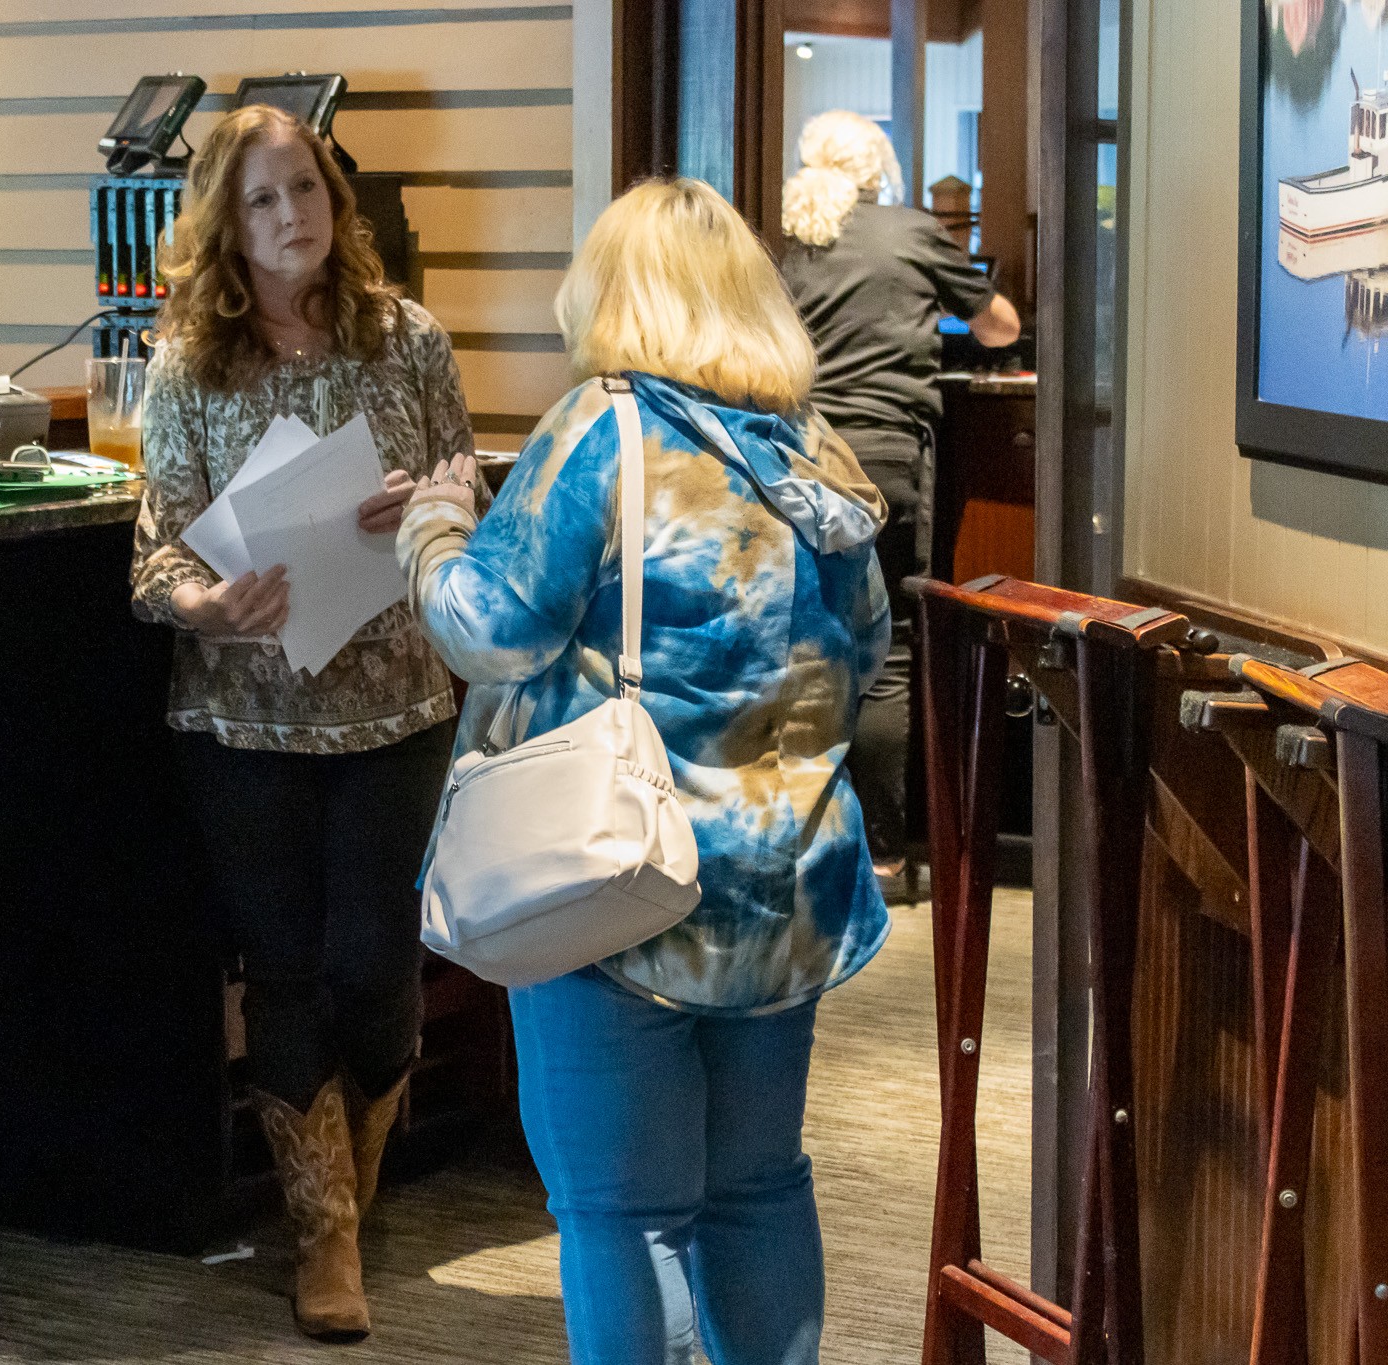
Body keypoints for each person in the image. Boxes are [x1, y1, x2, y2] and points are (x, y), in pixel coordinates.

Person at [397, 178, 891, 1365]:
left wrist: (430, 531)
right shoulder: (814, 451)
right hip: (788, 890)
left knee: (625, 1217)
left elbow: (491, 627)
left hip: (621, 886)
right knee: (759, 1189)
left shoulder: (600, 429)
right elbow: (861, 651)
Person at [129, 103, 476, 1342]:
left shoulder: (406, 339)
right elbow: (152, 551)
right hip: (242, 717)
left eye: (307, 191)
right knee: (281, 973)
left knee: (375, 970)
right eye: (264, 199)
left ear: (338, 202)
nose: (292, 217)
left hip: (394, 700)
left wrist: (427, 508)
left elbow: (463, 482)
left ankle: (355, 1195)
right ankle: (323, 1235)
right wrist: (204, 604)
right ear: (226, 223)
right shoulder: (187, 364)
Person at [778, 109, 1021, 893]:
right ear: (879, 166)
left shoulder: (795, 240)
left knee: (811, 644)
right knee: (887, 657)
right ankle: (883, 853)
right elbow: (997, 328)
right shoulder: (910, 230)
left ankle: (803, 841)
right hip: (884, 460)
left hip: (801, 457)